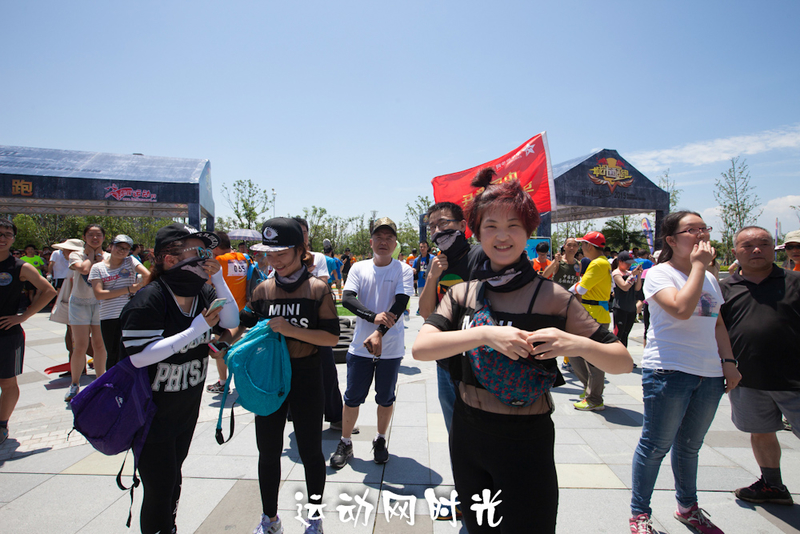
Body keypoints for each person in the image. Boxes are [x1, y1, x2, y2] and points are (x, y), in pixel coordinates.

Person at [413, 169, 631, 533]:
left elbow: (622, 361)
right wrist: (484, 334)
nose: (502, 236)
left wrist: (572, 343)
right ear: (477, 233)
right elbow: (422, 348)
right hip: (467, 433)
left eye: (513, 226)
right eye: (491, 226)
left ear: (528, 232)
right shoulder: (464, 294)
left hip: (526, 438)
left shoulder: (553, 297)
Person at [119, 223, 238, 534]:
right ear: (170, 260)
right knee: (159, 489)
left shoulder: (203, 292)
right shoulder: (150, 299)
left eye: (208, 251)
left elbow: (231, 319)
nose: (206, 257)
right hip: (150, 416)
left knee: (173, 480)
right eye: (198, 251)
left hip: (184, 411)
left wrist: (219, 280)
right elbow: (139, 356)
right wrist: (197, 329)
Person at [223, 217, 339, 534]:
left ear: (301, 250)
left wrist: (290, 330)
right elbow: (244, 323)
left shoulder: (317, 289)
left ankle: (314, 518)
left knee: (311, 452)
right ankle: (270, 519)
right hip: (269, 379)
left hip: (307, 376)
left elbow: (331, 338)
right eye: (269, 254)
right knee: (268, 451)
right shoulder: (263, 290)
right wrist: (223, 341)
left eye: (282, 254)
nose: (275, 261)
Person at [628, 211, 741, 534]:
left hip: (709, 373)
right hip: (669, 371)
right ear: (672, 240)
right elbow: (681, 308)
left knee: (691, 445)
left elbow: (717, 323)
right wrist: (700, 267)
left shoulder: (709, 278)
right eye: (692, 230)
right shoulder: (659, 274)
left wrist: (728, 362)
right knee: (655, 445)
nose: (701, 234)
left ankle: (687, 507)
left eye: (704, 228)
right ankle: (639, 513)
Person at [720, 226, 799, 506]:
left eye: (764, 244)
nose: (756, 250)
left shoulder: (795, 282)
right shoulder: (724, 289)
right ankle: (772, 485)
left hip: (795, 379)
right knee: (761, 431)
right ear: (735, 252)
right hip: (748, 378)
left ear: (773, 249)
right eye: (747, 245)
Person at [330, 217, 413, 470]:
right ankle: (345, 441)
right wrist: (372, 317)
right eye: (379, 237)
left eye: (389, 238)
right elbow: (347, 299)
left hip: (391, 348)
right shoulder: (359, 268)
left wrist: (378, 332)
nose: (383, 242)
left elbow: (400, 304)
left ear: (395, 243)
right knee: (352, 397)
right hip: (360, 347)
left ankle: (380, 439)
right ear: (371, 242)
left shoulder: (403, 270)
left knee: (385, 398)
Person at [418, 201, 483, 435]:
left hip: (477, 363)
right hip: (445, 362)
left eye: (443, 223)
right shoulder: (436, 263)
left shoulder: (480, 256)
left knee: (480, 432)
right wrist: (432, 276)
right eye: (432, 227)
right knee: (455, 431)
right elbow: (427, 313)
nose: (437, 231)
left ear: (462, 226)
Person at [0, 220, 57, 444]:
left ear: (14, 239)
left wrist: (23, 316)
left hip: (7, 333)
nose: (2, 238)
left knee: (7, 382)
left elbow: (49, 291)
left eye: (7, 234)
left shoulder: (19, 267)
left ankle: (2, 425)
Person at [89, 235, 150, 369]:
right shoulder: (97, 268)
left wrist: (140, 292)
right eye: (119, 247)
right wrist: (128, 289)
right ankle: (113, 381)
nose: (122, 251)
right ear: (111, 246)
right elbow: (99, 294)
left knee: (131, 352)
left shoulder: (130, 261)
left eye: (126, 249)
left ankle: (130, 380)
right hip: (109, 315)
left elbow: (147, 275)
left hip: (129, 314)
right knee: (113, 354)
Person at [568, 231, 613, 411]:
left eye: (582, 244)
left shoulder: (598, 263)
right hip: (590, 313)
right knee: (574, 351)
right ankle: (590, 390)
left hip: (594, 315)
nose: (581, 248)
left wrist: (567, 291)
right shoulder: (601, 262)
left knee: (593, 359)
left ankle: (594, 398)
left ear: (589, 246)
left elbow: (581, 289)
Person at [65, 224, 108, 401]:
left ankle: (100, 381)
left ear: (104, 237)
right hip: (79, 304)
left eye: (98, 235)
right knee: (80, 345)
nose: (95, 238)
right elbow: (83, 269)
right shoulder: (76, 255)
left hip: (100, 303)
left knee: (99, 345)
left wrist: (99, 257)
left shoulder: (109, 257)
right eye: (90, 235)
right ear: (84, 237)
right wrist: (90, 256)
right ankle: (75, 384)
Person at [206, 231, 253, 393]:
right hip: (243, 311)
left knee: (220, 348)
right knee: (239, 347)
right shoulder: (244, 258)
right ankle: (244, 381)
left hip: (224, 313)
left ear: (216, 246)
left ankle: (223, 382)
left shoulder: (218, 261)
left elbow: (207, 283)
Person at [611, 251, 643, 348]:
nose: (629, 265)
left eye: (630, 263)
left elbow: (637, 288)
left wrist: (639, 275)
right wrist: (632, 275)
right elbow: (624, 287)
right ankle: (615, 353)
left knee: (626, 334)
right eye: (627, 263)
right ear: (620, 262)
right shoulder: (616, 273)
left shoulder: (630, 273)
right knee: (618, 334)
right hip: (620, 307)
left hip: (631, 307)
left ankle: (624, 353)